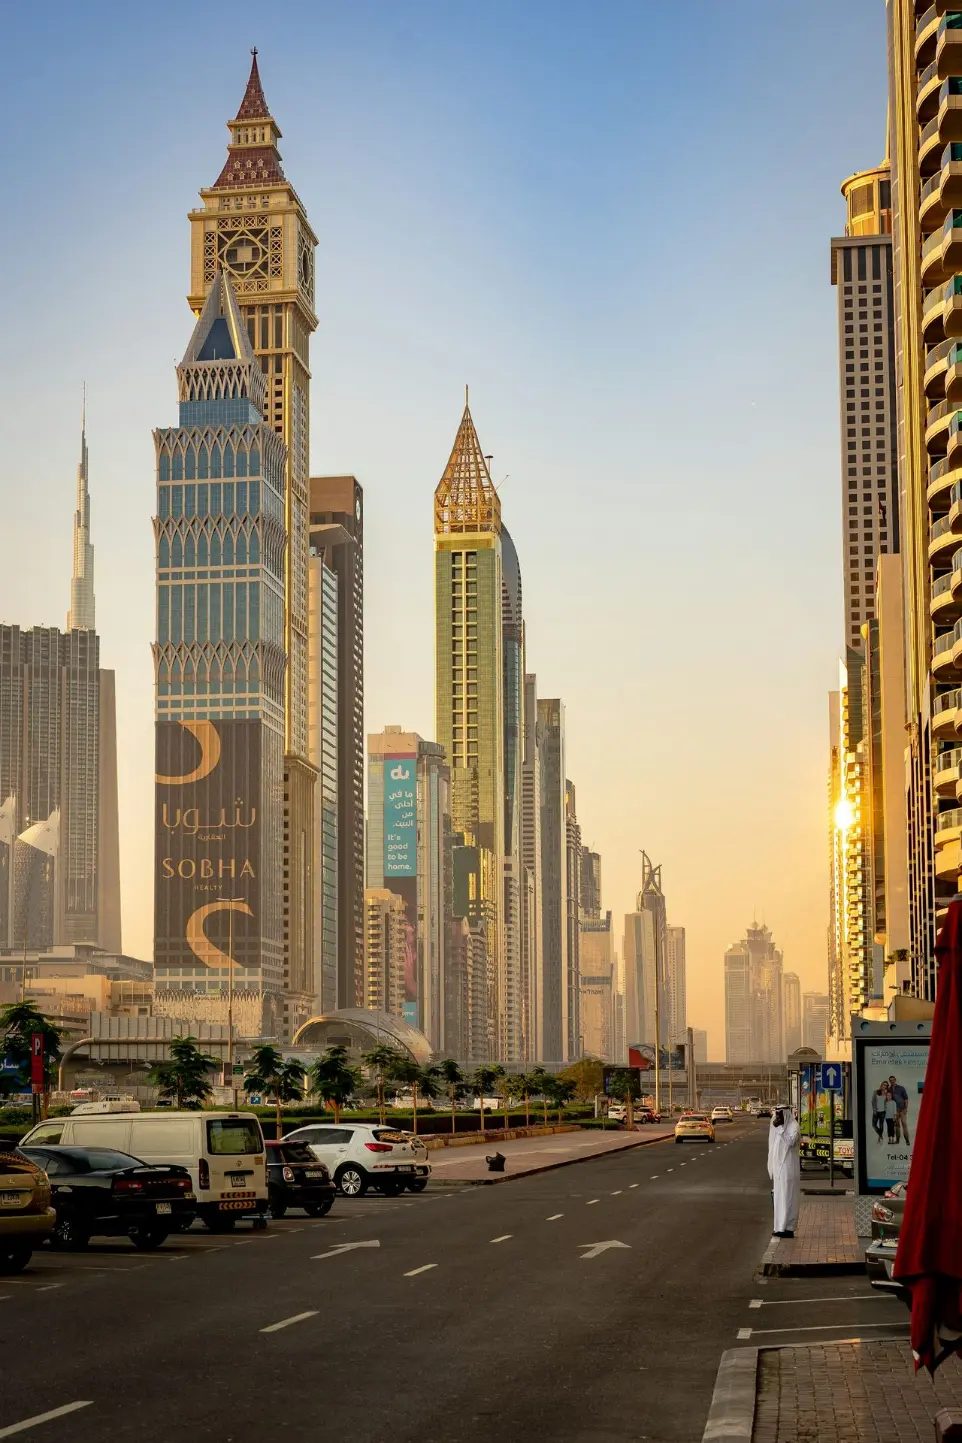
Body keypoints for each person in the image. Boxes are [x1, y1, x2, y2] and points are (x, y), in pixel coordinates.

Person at [767, 1104, 800, 1238]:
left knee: (788, 1198)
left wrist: (781, 1129)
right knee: (779, 1199)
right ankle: (779, 1227)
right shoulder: (777, 1127)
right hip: (779, 1170)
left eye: (780, 1114)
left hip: (788, 1169)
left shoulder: (794, 1126)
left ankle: (788, 1228)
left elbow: (790, 1141)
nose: (777, 1117)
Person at [888, 1074, 911, 1145]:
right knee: (897, 1126)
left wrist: (906, 1108)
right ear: (890, 1081)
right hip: (895, 1111)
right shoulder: (889, 1089)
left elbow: (906, 1098)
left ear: (895, 1080)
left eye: (893, 1080)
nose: (892, 1081)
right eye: (890, 1081)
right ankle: (897, 1140)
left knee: (904, 1124)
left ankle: (907, 1140)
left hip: (902, 1109)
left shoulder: (901, 1088)